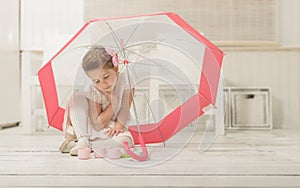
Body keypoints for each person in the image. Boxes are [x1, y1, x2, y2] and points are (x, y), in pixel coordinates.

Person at [59, 45, 134, 156]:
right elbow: (98, 123)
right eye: (96, 81)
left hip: (111, 128)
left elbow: (125, 109)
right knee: (77, 98)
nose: (103, 84)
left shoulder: (125, 80)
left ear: (116, 68)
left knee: (126, 141)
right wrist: (113, 103)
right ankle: (83, 141)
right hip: (90, 127)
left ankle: (87, 146)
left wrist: (119, 126)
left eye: (106, 77)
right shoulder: (94, 90)